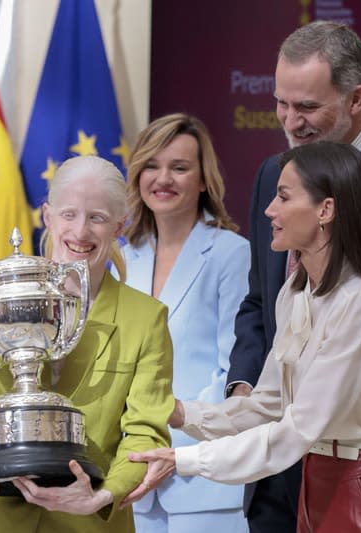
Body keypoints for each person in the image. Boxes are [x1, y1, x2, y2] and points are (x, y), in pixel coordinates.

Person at [128, 141, 361, 533]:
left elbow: (298, 428)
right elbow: (267, 404)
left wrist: (186, 460)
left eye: (284, 197)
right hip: (314, 483)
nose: (269, 209)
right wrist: (180, 412)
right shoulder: (295, 292)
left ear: (326, 209)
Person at [224, 20, 361, 531]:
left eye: (307, 107)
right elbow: (259, 302)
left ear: (357, 98)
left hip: (357, 474)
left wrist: (310, 414)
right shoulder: (270, 175)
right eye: (282, 102)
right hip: (272, 472)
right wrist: (245, 394)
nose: (290, 120)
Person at [0, 155, 174, 533]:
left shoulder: (146, 319)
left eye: (97, 217)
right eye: (69, 214)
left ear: (119, 226)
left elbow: (145, 432)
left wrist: (104, 494)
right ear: (47, 215)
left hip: (88, 522)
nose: (81, 232)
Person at [120, 113, 250, 533]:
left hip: (204, 481)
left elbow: (233, 372)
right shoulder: (124, 258)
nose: (164, 178)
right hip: (133, 478)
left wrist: (171, 449)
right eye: (152, 166)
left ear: (203, 180)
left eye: (179, 167)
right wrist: (139, 451)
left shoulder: (232, 254)